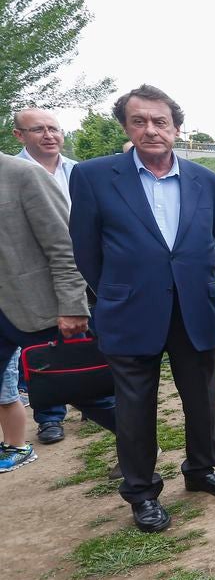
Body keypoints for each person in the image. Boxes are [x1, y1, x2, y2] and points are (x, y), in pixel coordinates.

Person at [69, 85, 215, 534]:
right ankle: (142, 492)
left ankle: (201, 470)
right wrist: (118, 290)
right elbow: (86, 251)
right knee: (134, 407)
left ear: (177, 128)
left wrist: (188, 284)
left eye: (160, 121)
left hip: (193, 310)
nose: (151, 129)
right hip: (128, 312)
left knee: (201, 398)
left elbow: (214, 246)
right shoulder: (93, 177)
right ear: (125, 126)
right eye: (139, 121)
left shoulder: (208, 181)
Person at [0, 155, 116, 470]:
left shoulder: (22, 174)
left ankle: (137, 444)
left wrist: (72, 305)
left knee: (85, 391)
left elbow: (65, 246)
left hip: (35, 307)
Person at [13, 107, 92, 445]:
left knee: (94, 338)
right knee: (44, 349)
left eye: (53, 129)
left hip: (83, 268)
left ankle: (97, 397)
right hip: (35, 276)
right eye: (38, 130)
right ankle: (50, 417)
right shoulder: (13, 174)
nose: (48, 135)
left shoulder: (79, 172)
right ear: (20, 135)